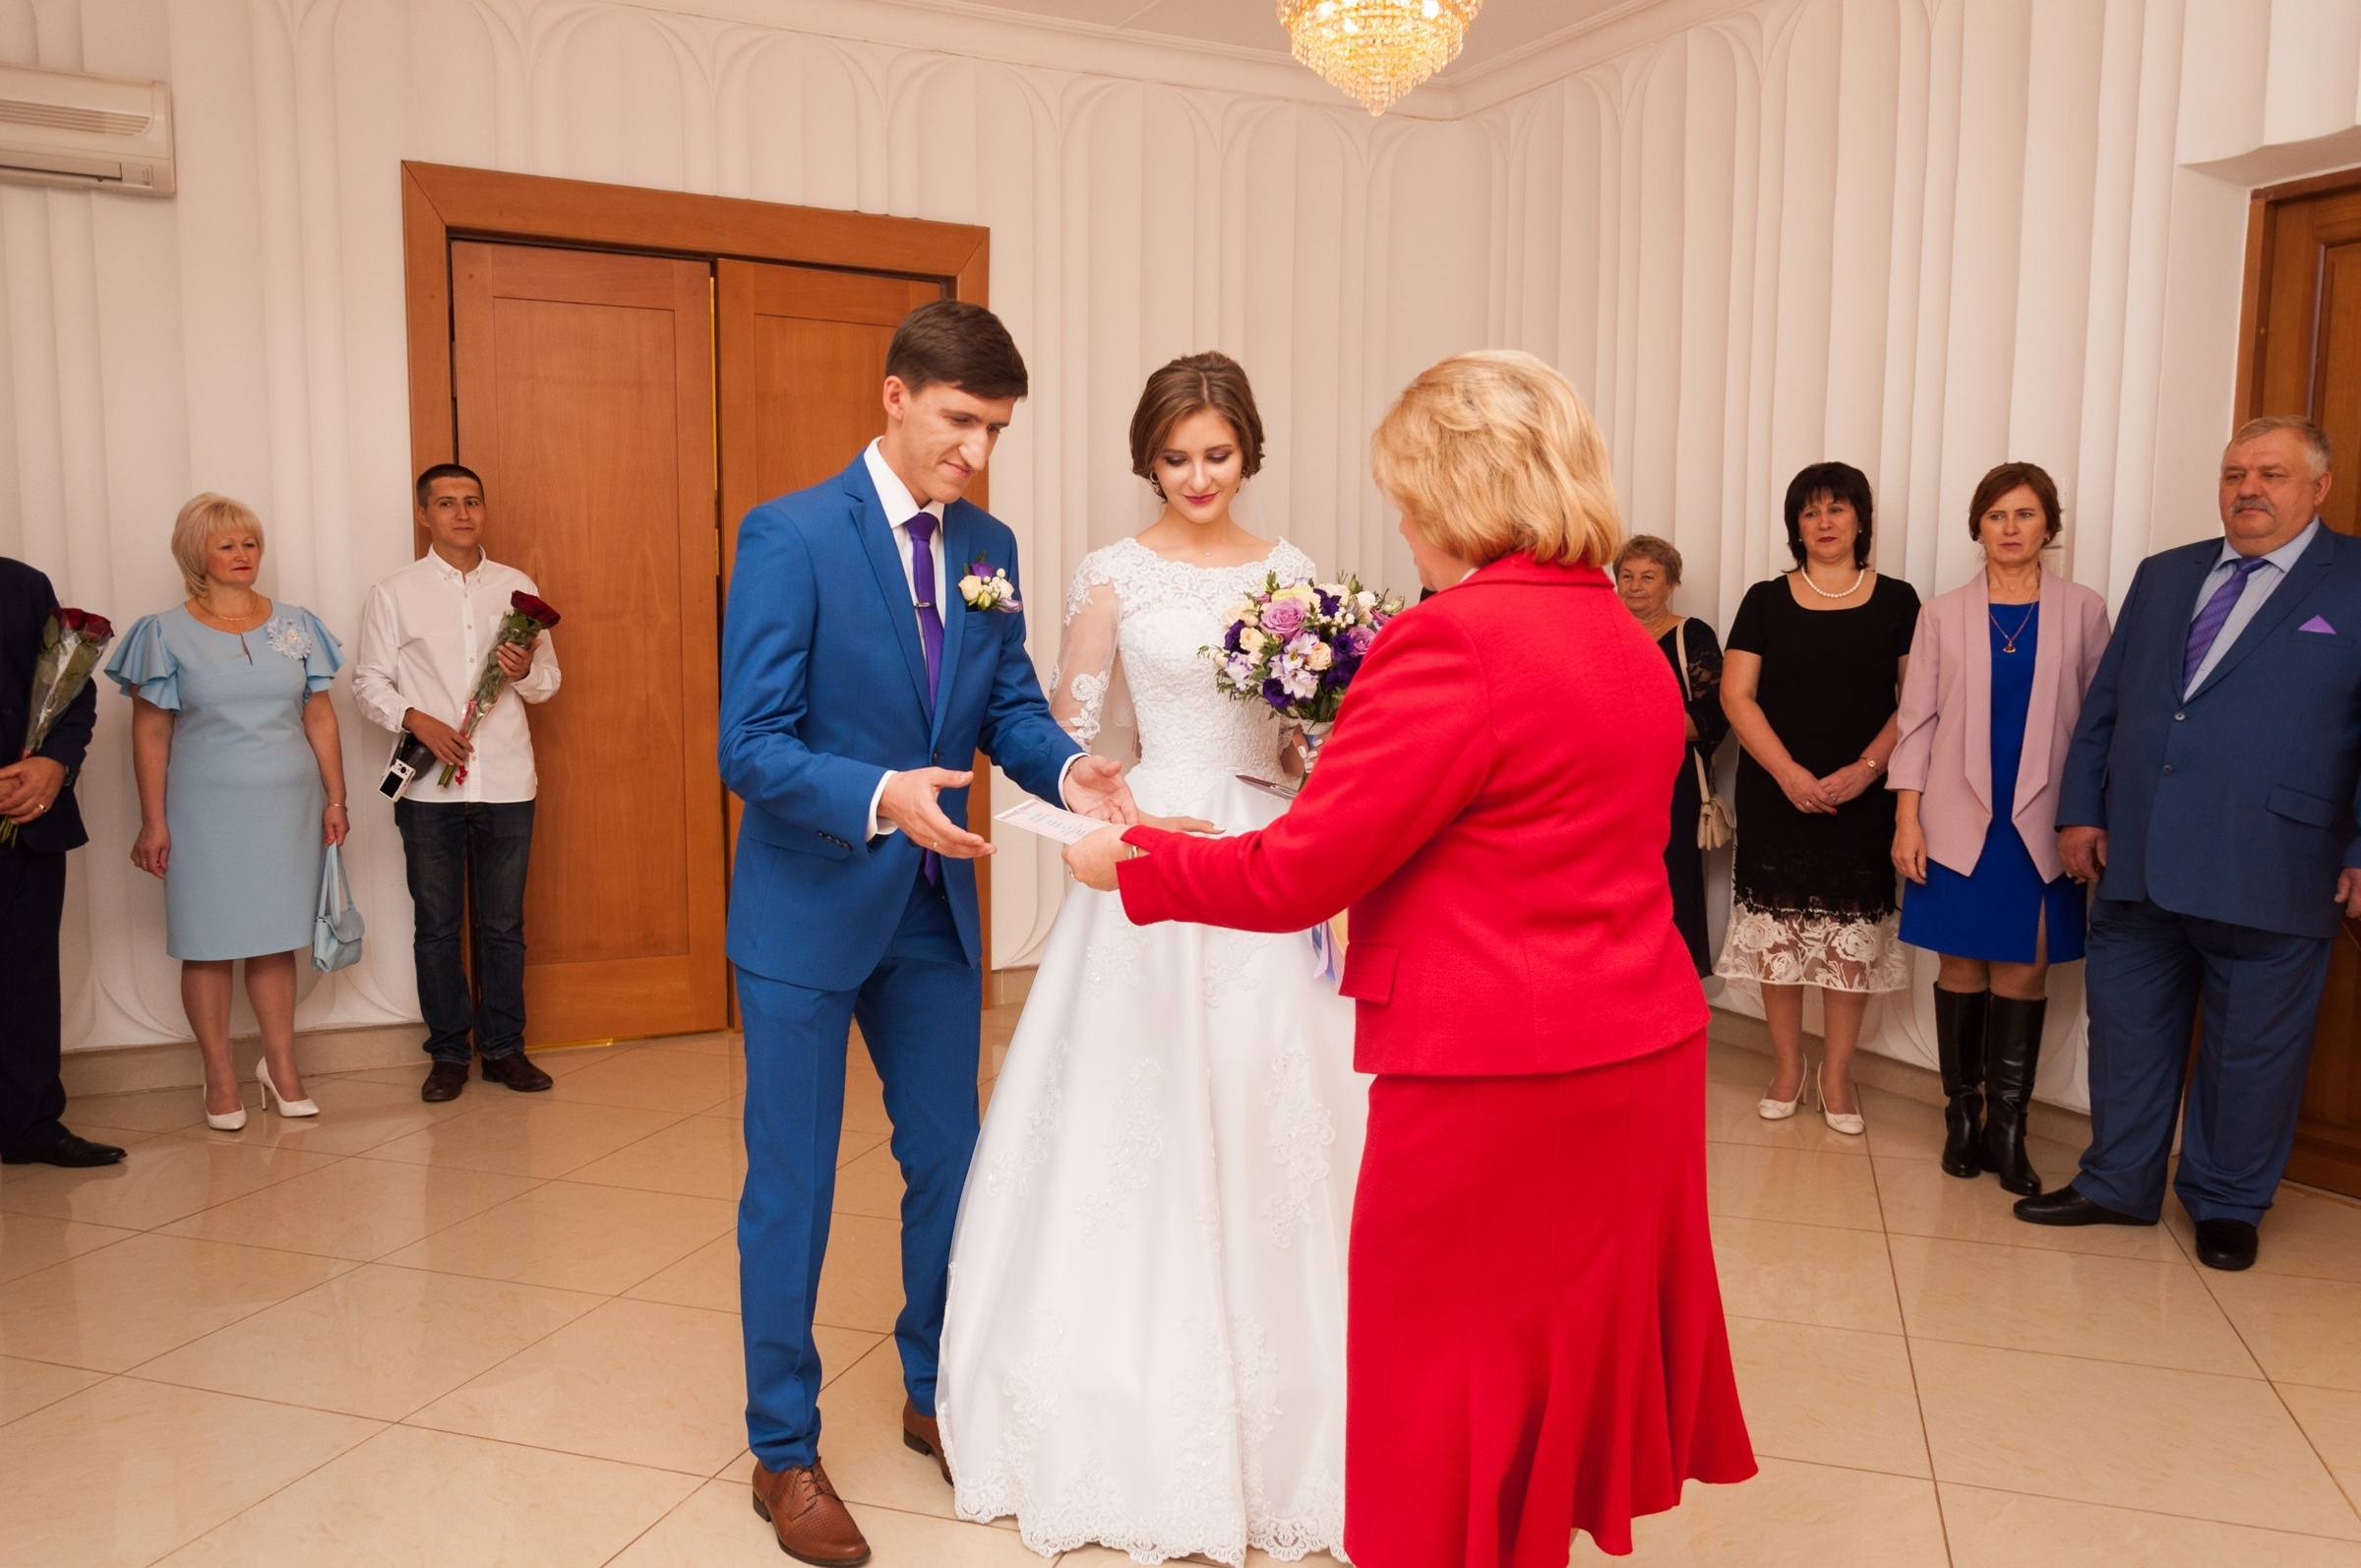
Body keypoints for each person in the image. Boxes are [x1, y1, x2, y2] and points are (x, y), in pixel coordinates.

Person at [1065, 350, 1756, 1567]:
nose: (1398, 518)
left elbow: (1298, 875)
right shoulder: (1621, 631)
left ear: (1457, 491)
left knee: (1435, 1381)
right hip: (1639, 1051)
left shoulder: (1454, 643)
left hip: (1496, 1069)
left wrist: (1137, 869)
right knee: (1552, 1371)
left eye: (1407, 491)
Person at [717, 298, 1140, 1565]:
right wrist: (878, 792)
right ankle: (782, 1451)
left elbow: (1005, 703)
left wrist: (1073, 775)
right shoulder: (790, 534)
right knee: (790, 1185)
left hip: (931, 916)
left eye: (996, 429)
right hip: (804, 907)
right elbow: (752, 742)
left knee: (952, 1162)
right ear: (894, 394)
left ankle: (933, 1386)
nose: (977, 451)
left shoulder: (989, 541)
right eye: (960, 421)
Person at [938, 353, 1366, 1563]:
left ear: (1250, 453)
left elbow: (1303, 739)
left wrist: (1317, 774)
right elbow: (1069, 737)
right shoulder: (1110, 576)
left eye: (1217, 455)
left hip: (1267, 849)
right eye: (1175, 456)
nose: (1196, 476)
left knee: (1274, 1103)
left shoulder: (1293, 578)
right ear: (1148, 455)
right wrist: (1102, 826)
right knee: (1137, 1111)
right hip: (1156, 848)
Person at [2019, 416, 2361, 1272]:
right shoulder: (2166, 575)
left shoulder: (2354, 579)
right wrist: (2078, 810)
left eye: (2272, 474)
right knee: (2125, 1033)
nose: (2249, 488)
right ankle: (2118, 1183)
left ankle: (2226, 1202)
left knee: (2254, 1054)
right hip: (2135, 853)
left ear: (2319, 487)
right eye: (2235, 472)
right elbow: (2108, 705)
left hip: (2277, 863)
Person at [1889, 464, 2109, 1194]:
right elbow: (1915, 725)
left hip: (2043, 823)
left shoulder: (2083, 610)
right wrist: (1907, 818)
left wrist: (2092, 816)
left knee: (2025, 969)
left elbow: (2100, 726)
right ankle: (1961, 1119)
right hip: (1957, 820)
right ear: (1977, 526)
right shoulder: (1941, 614)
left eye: (2025, 514)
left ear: (2049, 525)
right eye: (1996, 515)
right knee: (1961, 969)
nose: (2010, 528)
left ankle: (2007, 1133)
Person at [106, 494, 347, 1131]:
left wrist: (337, 798)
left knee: (274, 941)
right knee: (208, 944)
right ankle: (218, 1077)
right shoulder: (163, 631)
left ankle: (282, 1068)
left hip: (287, 806)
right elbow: (151, 734)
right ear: (197, 555)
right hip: (203, 810)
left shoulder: (296, 622)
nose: (243, 556)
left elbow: (319, 716)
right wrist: (153, 821)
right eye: (226, 545)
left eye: (250, 543)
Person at [1716, 462, 1919, 1135]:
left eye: (1837, 510)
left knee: (1847, 945)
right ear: (1795, 525)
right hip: (1780, 794)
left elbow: (1915, 702)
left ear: (1861, 519)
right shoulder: (1765, 599)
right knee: (1780, 937)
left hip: (1863, 797)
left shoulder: (1898, 600)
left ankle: (1836, 1074)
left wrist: (1866, 770)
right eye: (1810, 512)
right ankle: (1785, 1066)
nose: (1825, 523)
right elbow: (1735, 696)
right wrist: (1789, 775)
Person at [352, 463, 561, 1103]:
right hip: (426, 791)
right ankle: (448, 1053)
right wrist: (416, 719)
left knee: (502, 926)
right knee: (437, 926)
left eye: (472, 501)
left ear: (484, 510)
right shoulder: (394, 591)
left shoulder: (516, 587)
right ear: (425, 514)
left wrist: (524, 670)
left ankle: (503, 1049)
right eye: (446, 503)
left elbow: (548, 685)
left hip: (506, 782)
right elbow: (367, 684)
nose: (462, 513)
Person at [0, 558, 123, 1169]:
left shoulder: (22, 584)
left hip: (27, 817)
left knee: (26, 979)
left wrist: (55, 765)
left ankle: (30, 1126)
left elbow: (70, 689)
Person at [1616, 534, 1728, 975]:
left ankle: (1671, 989)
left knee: (1670, 883)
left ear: (1671, 584)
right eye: (1626, 576)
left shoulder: (1691, 635)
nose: (1635, 585)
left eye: (1648, 576)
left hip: (1670, 786)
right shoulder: (1603, 633)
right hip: (1605, 784)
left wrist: (1630, 722)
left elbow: (1712, 718)